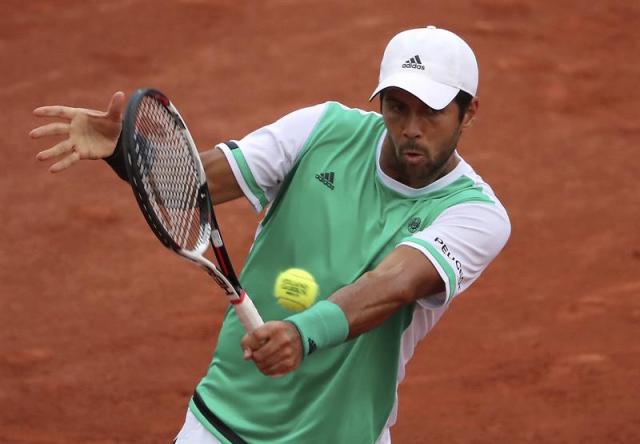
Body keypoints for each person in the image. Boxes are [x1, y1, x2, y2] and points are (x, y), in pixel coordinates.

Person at [30, 26, 510, 444]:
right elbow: (194, 185)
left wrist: (302, 334)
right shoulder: (325, 129)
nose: (410, 129)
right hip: (224, 420)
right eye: (396, 108)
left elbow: (393, 284)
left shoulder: (476, 214)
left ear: (468, 114)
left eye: (431, 113)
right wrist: (126, 152)